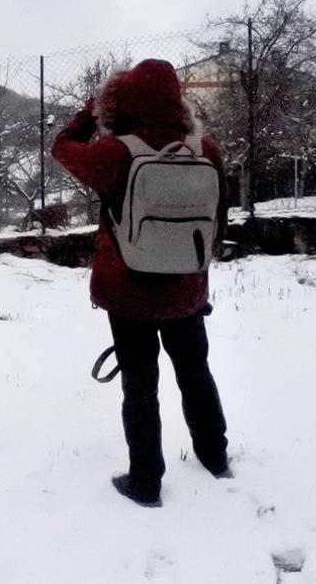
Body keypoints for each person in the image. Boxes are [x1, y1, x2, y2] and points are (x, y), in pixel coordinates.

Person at [51, 58, 231, 508]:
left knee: (140, 383)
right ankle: (215, 456)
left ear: (122, 100)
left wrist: (92, 110)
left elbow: (62, 146)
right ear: (178, 99)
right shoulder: (205, 151)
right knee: (195, 372)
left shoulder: (115, 154)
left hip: (129, 291)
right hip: (185, 289)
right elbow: (216, 225)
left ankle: (146, 480)